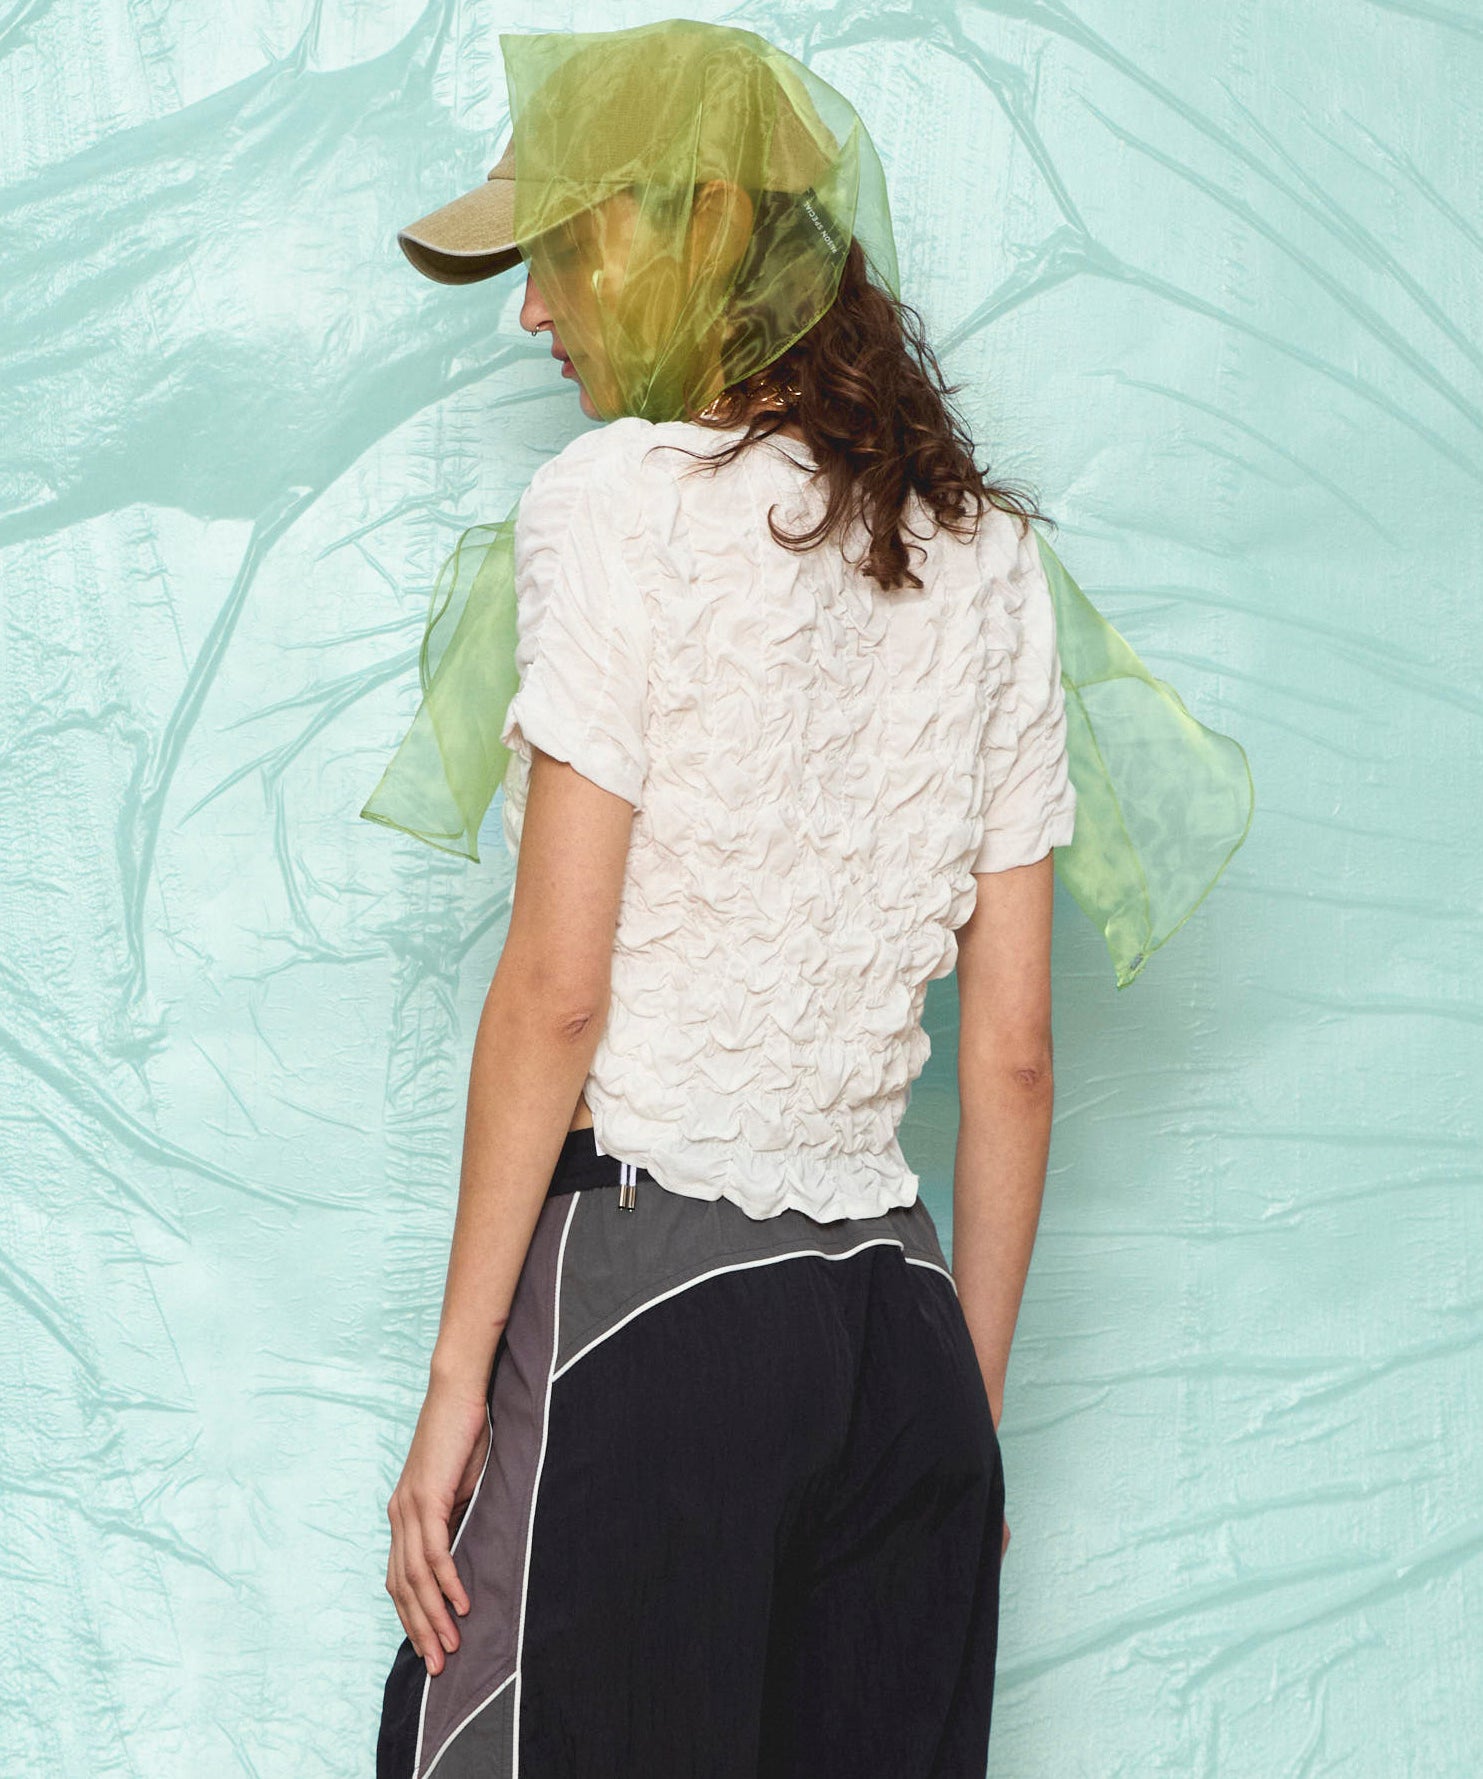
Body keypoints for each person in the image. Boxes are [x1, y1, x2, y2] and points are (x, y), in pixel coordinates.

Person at [365, 21, 1250, 1779]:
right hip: (900, 1337)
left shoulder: (616, 507)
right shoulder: (988, 555)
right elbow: (1013, 1059)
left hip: (650, 1310)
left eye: (555, 253)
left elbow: (555, 989)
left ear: (677, 234)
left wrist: (458, 1385)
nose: (529, 314)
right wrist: (961, 1419)